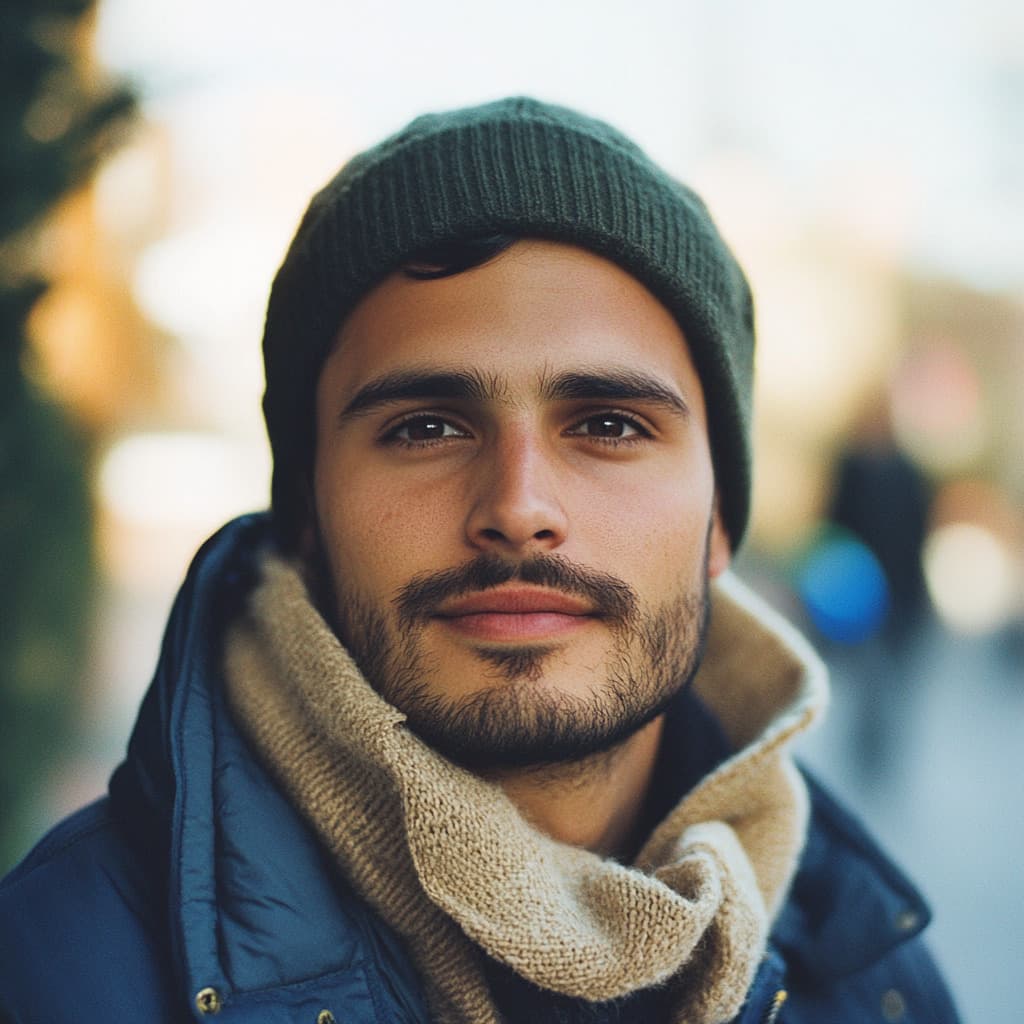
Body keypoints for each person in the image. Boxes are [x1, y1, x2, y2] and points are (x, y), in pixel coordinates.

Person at [0, 97, 959, 1024]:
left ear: (719, 519)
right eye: (425, 426)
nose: (518, 507)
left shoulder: (874, 978)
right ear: (304, 510)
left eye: (610, 424)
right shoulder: (47, 976)